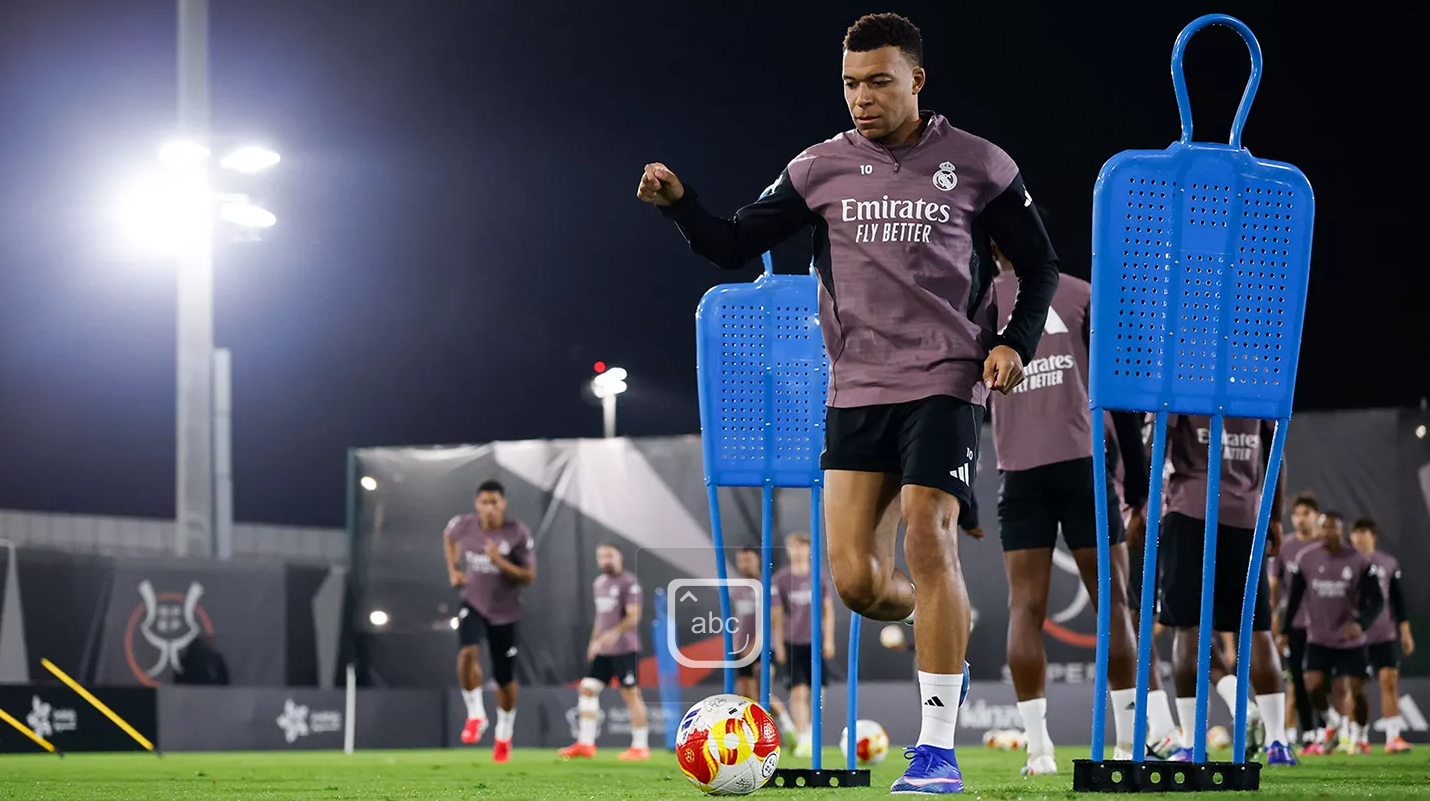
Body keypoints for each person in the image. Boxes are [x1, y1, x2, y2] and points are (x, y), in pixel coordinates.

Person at [638, 13, 1059, 793]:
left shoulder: (980, 165)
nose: (861, 98)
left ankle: (935, 749)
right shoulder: (817, 168)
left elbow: (1038, 267)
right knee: (857, 583)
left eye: (878, 82)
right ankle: (942, 625)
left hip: (946, 376)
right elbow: (733, 243)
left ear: (916, 80)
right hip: (856, 387)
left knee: (930, 538)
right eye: (850, 84)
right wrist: (678, 203)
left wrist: (1012, 344)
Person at [985, 241, 1161, 774]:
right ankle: (1128, 744)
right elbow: (1121, 390)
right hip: (1084, 464)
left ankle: (1039, 752)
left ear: (989, 247)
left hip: (1019, 472)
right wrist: (1139, 482)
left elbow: (959, 393)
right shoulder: (1082, 293)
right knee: (1113, 607)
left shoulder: (979, 302)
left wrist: (962, 488)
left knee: (1025, 610)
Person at [1156, 414, 1296, 766]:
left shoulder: (1184, 373)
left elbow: (1156, 443)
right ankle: (1278, 743)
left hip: (1190, 509)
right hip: (1245, 515)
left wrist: (1149, 500)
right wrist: (1275, 515)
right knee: (1257, 629)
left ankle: (1191, 744)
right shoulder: (1259, 377)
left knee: (1188, 628)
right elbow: (1276, 452)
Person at [443, 480, 535, 762]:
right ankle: (475, 715)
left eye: (494, 502)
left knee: (505, 679)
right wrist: (454, 570)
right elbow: (448, 537)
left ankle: (504, 733)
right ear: (477, 504)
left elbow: (529, 577)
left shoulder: (516, 532)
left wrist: (500, 561)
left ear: (503, 503)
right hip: (473, 603)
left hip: (506, 613)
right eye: (484, 502)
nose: (489, 507)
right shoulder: (463, 525)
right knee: (467, 653)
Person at [1284, 512, 1384, 756]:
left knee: (1357, 692)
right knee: (1312, 686)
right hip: (1318, 637)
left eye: (1332, 528)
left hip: (1351, 640)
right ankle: (1333, 722)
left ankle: (1360, 735)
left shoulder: (1359, 560)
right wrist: (1285, 632)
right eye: (1323, 528)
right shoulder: (1305, 558)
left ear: (1341, 531)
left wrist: (1361, 623)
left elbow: (1377, 600)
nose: (1327, 533)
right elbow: (1294, 599)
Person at [561, 543, 649, 761]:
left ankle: (640, 746)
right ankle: (586, 743)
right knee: (587, 689)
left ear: (620, 556)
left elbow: (634, 615)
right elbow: (601, 618)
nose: (605, 560)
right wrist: (594, 642)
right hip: (604, 651)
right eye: (601, 556)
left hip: (625, 649)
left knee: (630, 694)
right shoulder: (599, 583)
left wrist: (615, 633)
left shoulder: (630, 583)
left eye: (609, 555)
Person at [1349, 517, 1415, 753]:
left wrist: (1405, 631)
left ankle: (1393, 737)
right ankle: (1358, 736)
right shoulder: (1346, 563)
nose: (1359, 536)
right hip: (1355, 638)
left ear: (1372, 535)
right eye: (1356, 532)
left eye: (1364, 531)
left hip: (1385, 634)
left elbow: (1397, 599)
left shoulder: (1388, 563)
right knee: (1355, 688)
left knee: (1389, 682)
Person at [770, 533, 836, 759]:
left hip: (815, 641)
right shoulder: (780, 579)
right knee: (797, 691)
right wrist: (778, 644)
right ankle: (802, 737)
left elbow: (828, 611)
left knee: (818, 691)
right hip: (791, 642)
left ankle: (812, 732)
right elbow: (777, 615)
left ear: (809, 550)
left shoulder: (820, 577)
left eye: (801, 547)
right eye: (793, 547)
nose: (797, 552)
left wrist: (828, 639)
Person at [1270, 492, 1323, 745]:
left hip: (1327, 625)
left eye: (1306, 514)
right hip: (1296, 624)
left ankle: (1329, 727)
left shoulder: (1328, 545)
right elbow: (1274, 587)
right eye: (1297, 514)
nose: (1300, 519)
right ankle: (1310, 734)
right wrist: (1275, 624)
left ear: (1317, 517)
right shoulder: (1286, 546)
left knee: (1323, 680)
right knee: (1298, 680)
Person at [731, 547, 798, 741]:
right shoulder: (738, 588)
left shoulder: (768, 585)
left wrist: (756, 643)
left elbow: (774, 616)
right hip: (741, 649)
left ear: (758, 560)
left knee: (763, 692)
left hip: (764, 648)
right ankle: (756, 736)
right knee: (746, 694)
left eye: (748, 560)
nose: (744, 564)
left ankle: (787, 727)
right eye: (741, 560)